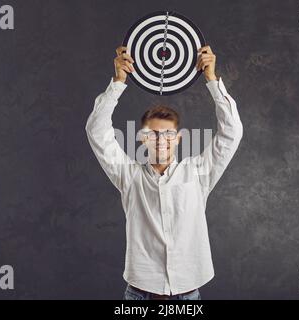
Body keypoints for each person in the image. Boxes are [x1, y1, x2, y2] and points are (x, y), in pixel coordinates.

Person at [85, 45, 243, 300]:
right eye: (153, 134)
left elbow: (231, 133)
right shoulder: (129, 176)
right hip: (139, 294)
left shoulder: (198, 172)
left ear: (179, 138)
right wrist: (118, 82)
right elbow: (96, 131)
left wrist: (212, 79)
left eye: (168, 134)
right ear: (141, 138)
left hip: (188, 295)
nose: (161, 140)